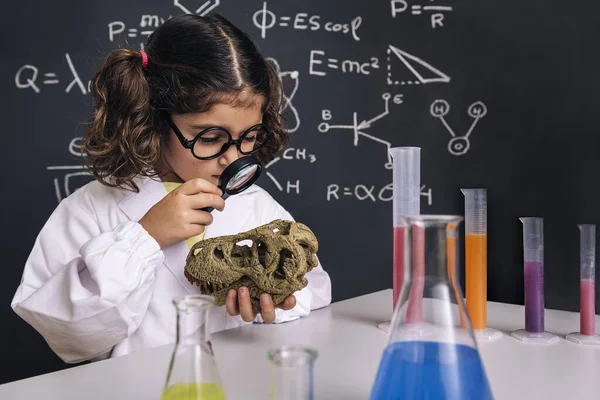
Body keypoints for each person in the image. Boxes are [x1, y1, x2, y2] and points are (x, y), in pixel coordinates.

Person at [11, 13, 331, 364]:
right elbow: (68, 337)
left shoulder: (257, 207)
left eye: (250, 137)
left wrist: (274, 303)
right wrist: (145, 238)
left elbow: (313, 291)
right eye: (210, 138)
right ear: (152, 120)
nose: (233, 160)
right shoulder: (88, 210)